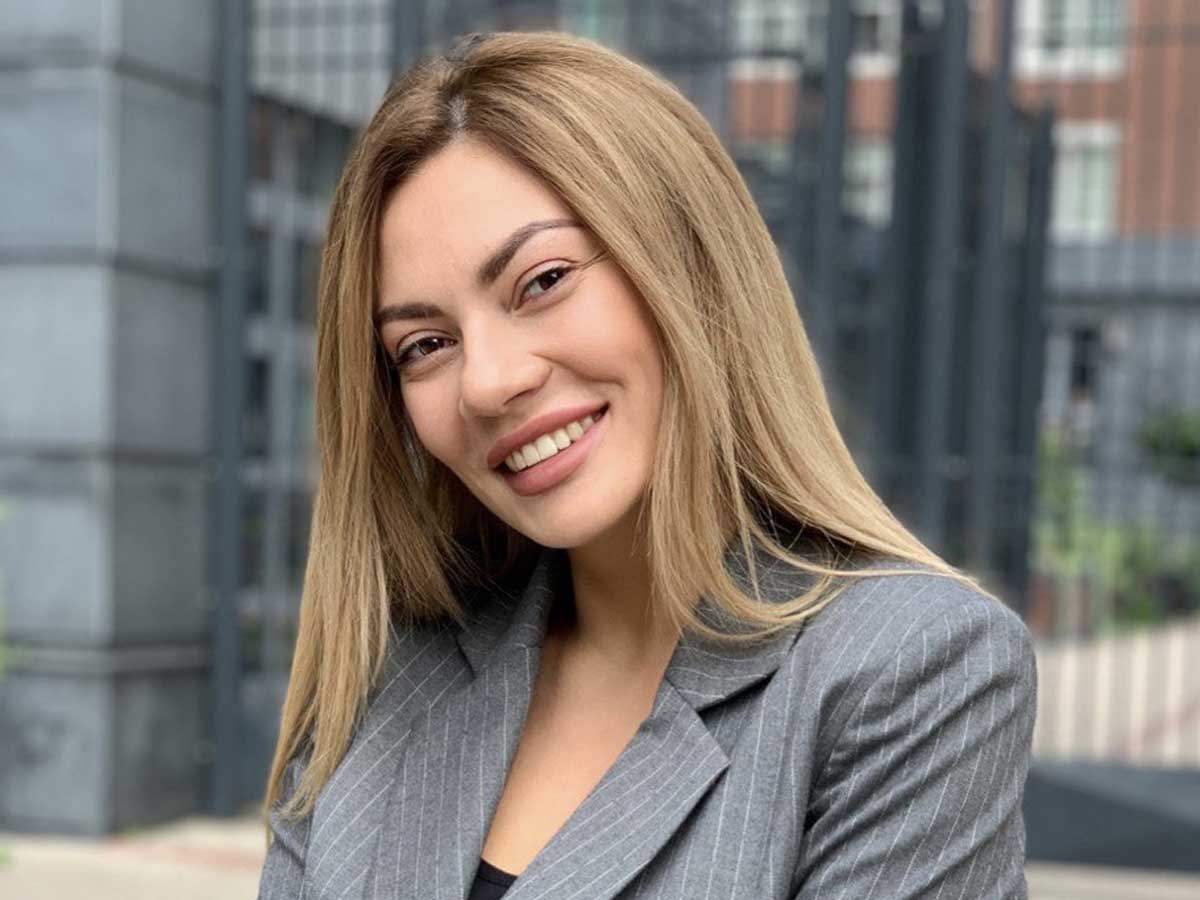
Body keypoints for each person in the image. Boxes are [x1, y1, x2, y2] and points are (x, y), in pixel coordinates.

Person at [257, 30, 1037, 900]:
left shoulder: (912, 671)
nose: (488, 382)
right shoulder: (389, 674)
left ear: (691, 268)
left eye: (542, 281)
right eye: (425, 345)